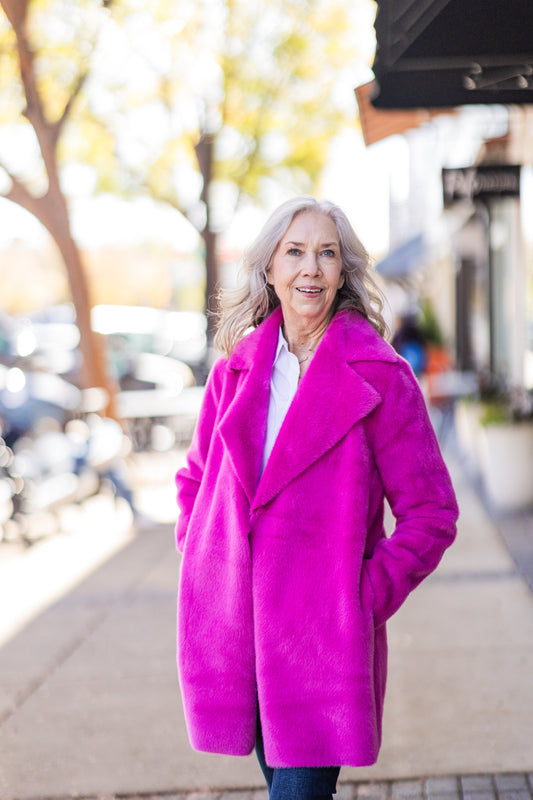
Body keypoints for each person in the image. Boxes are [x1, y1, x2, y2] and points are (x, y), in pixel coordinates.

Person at [174, 196, 459, 800]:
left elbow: (432, 513)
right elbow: (195, 480)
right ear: (270, 268)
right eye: (296, 252)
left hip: (321, 647)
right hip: (238, 635)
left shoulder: (380, 376)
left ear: (343, 271)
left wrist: (358, 597)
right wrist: (203, 559)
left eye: (327, 254)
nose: (312, 269)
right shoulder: (237, 371)